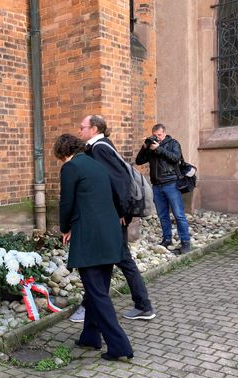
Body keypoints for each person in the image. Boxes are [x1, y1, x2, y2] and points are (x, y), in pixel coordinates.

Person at [54, 133, 134, 361]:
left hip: (89, 237)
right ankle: (90, 336)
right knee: (96, 290)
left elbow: (66, 201)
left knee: (97, 293)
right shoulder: (97, 165)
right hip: (109, 235)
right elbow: (115, 196)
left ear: (63, 152)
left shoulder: (71, 168)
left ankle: (120, 346)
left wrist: (64, 227)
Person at [69, 115, 155, 323]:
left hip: (114, 218)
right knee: (116, 259)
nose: (80, 131)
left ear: (95, 128)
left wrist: (121, 213)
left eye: (83, 127)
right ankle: (138, 305)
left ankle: (139, 305)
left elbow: (119, 182)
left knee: (119, 259)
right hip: (112, 216)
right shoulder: (100, 147)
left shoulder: (100, 149)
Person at [136, 124, 191, 254]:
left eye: (159, 135)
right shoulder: (150, 146)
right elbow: (139, 161)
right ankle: (167, 239)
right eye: (155, 135)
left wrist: (159, 148)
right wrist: (144, 148)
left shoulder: (173, 143)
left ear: (164, 133)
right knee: (162, 215)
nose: (157, 138)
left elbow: (176, 158)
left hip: (171, 184)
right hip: (157, 185)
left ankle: (185, 243)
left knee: (179, 215)